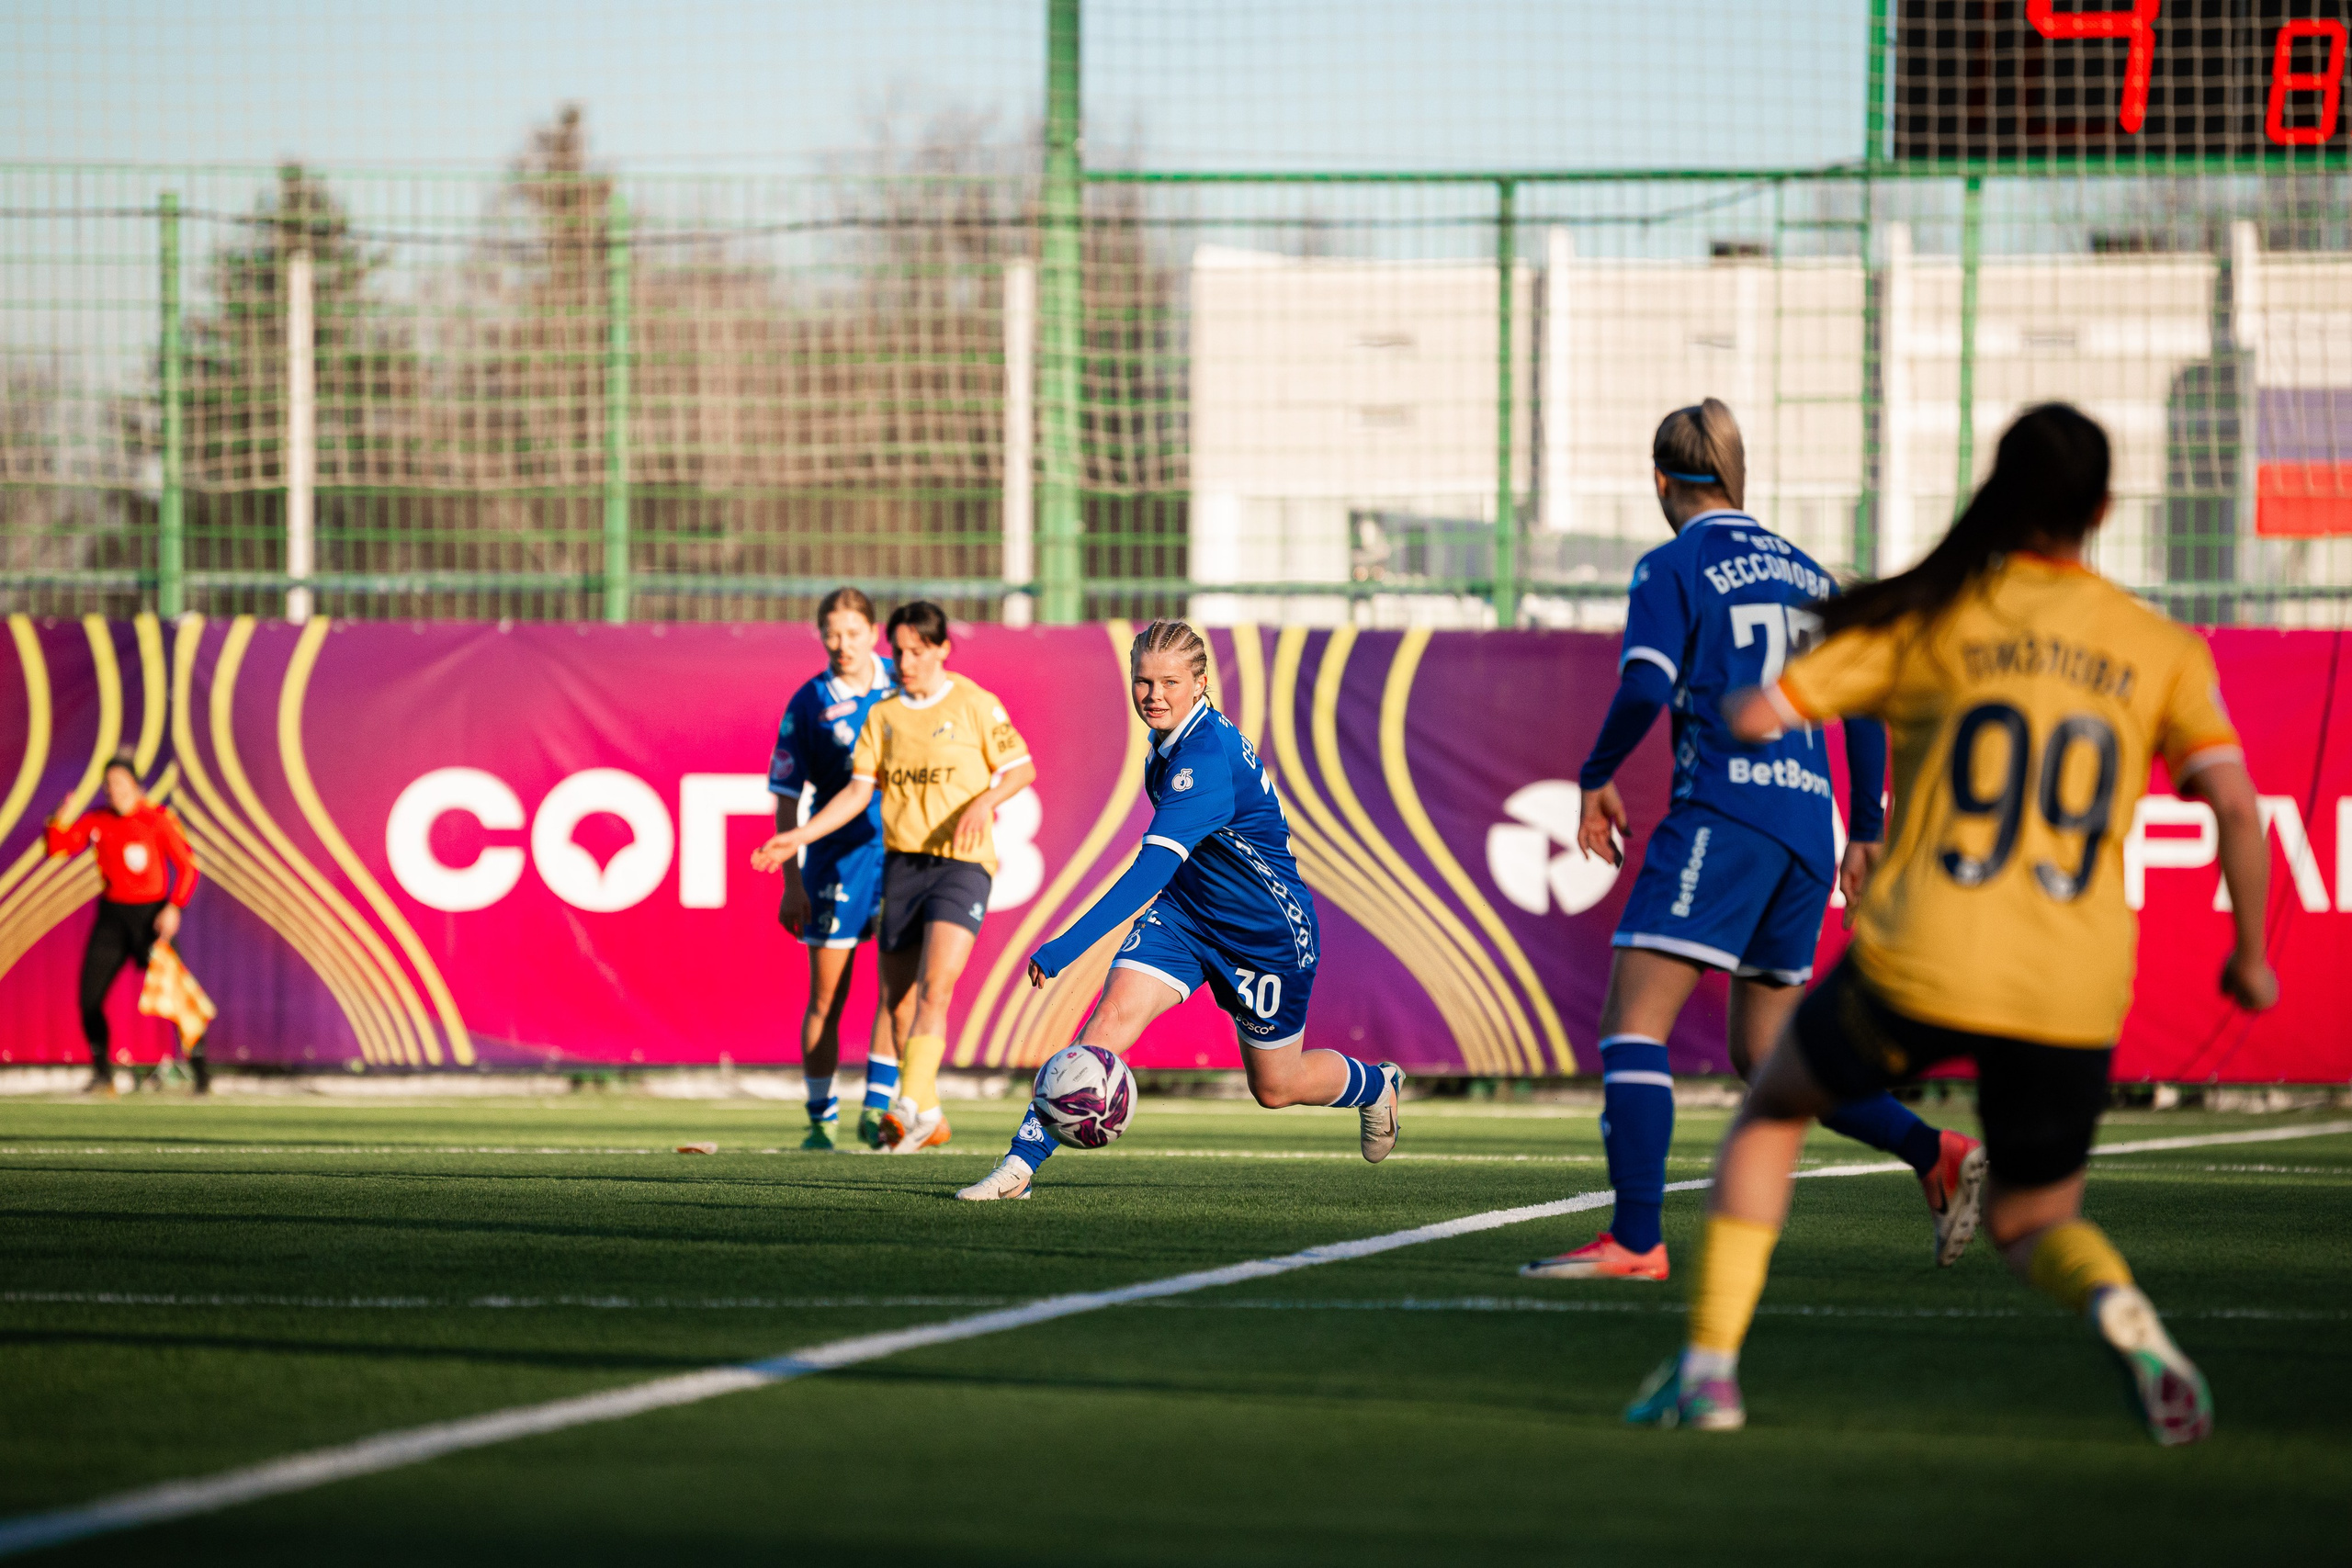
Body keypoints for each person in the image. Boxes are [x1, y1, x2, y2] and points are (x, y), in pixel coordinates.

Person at [1629, 403, 2276, 1443]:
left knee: (1771, 1108)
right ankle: (2118, 1308)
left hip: (1923, 956)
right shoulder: (2156, 646)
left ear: (1997, 492)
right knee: (2032, 1220)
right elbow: (2237, 809)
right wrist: (2248, 955)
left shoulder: (1935, 618)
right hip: (2069, 985)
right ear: (2104, 510)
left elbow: (1759, 712)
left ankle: (1707, 1375)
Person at [1523, 400, 1983, 1283]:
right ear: (1739, 475)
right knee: (1768, 1056)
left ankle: (1636, 1238)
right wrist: (1867, 830)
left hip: (1726, 812)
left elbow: (1646, 683)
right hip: (1808, 830)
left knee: (1632, 1027)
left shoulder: (1673, 562)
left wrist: (1596, 771)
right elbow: (1863, 700)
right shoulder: (1812, 573)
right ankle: (1936, 1152)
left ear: (1662, 480)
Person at [956, 618, 1399, 1202]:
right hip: (1186, 919)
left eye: (1169, 682)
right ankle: (1019, 1165)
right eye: (1143, 682)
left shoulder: (1205, 758)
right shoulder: (1169, 744)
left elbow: (1147, 872)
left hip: (1265, 937)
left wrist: (1065, 947)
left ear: (1201, 683)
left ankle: (1375, 1084)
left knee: (1276, 1087)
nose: (1154, 695)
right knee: (1108, 1023)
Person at [753, 601, 1033, 1155]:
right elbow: (856, 793)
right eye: (899, 650)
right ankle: (916, 1109)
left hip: (960, 865)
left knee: (936, 988)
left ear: (941, 649)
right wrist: (799, 839)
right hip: (900, 865)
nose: (904, 661)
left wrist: (983, 802)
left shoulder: (974, 703)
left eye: (916, 651)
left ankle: (902, 1104)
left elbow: (1020, 768)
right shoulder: (882, 715)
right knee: (897, 1000)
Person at [768, 587, 899, 1150]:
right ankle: (820, 1118)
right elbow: (786, 794)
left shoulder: (906, 680)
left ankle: (877, 1110)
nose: (842, 644)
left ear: (873, 632)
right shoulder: (808, 702)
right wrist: (791, 880)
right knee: (828, 996)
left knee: (898, 990)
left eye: (852, 632)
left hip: (903, 854)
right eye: (831, 633)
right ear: (821, 634)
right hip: (835, 859)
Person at [43, 757, 202, 1093]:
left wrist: (174, 907)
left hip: (151, 918)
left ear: (135, 786)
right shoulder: (97, 821)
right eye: (108, 785)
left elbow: (188, 867)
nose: (112, 790)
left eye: (119, 783)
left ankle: (202, 1074)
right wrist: (59, 819)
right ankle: (104, 1074)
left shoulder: (157, 819)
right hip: (113, 917)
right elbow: (59, 847)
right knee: (89, 997)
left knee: (177, 997)